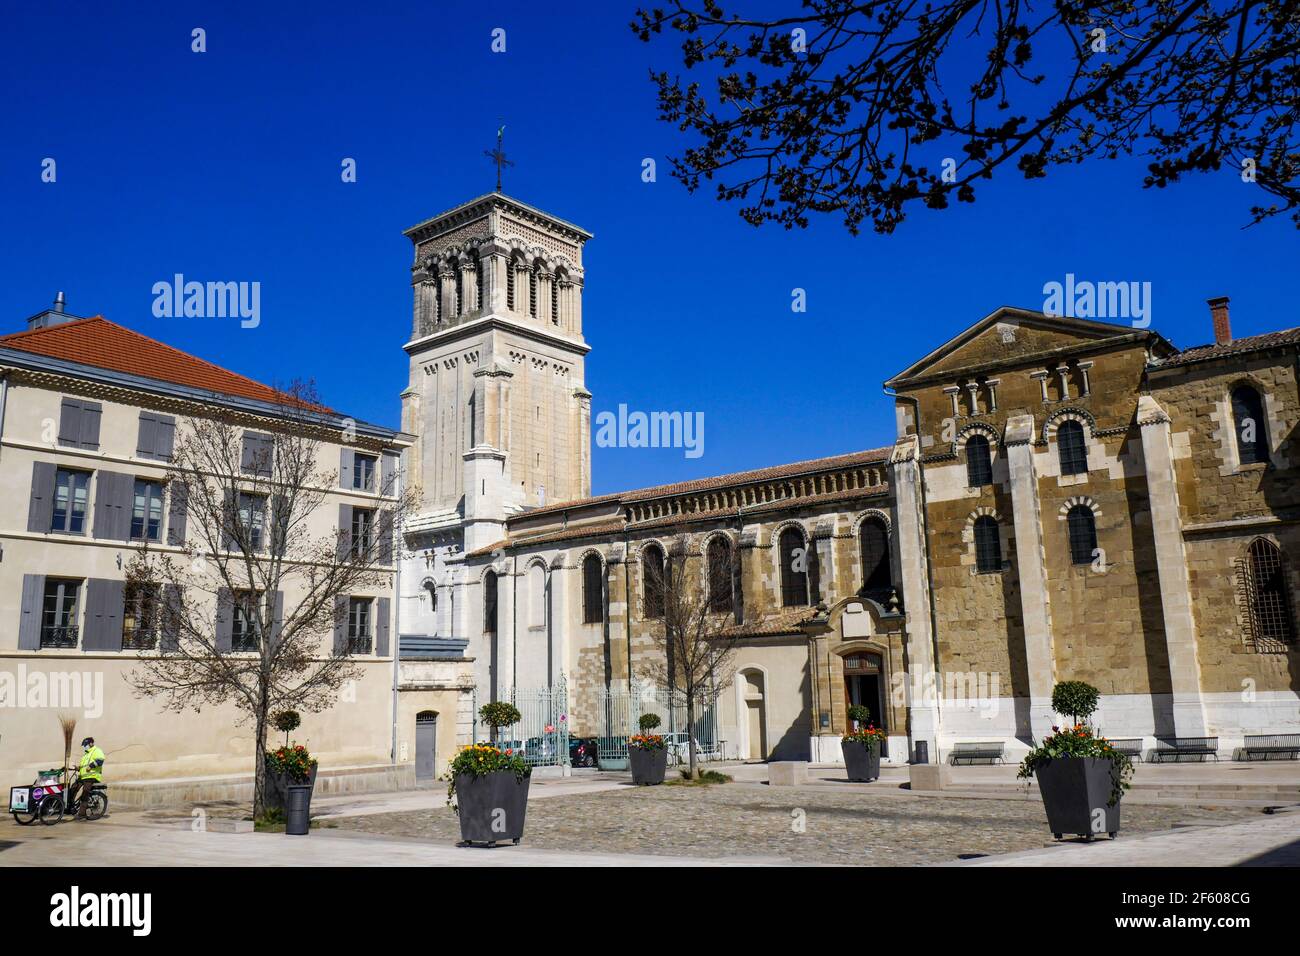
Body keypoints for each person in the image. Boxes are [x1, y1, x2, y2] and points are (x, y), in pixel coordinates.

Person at [71, 736, 105, 820]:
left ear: (91, 743)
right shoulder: (86, 753)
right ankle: (71, 807)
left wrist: (91, 766)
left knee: (85, 792)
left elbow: (100, 760)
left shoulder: (97, 750)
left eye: (85, 745)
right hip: (83, 776)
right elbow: (84, 765)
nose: (85, 746)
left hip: (92, 776)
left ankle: (82, 814)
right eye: (84, 745)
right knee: (73, 787)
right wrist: (79, 768)